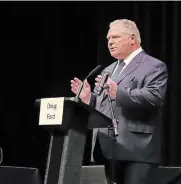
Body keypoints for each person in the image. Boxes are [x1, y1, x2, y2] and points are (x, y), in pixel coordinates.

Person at [70, 19, 168, 184]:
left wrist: (118, 92)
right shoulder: (109, 69)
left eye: (115, 37)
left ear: (132, 39)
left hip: (136, 151)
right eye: (108, 39)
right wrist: (89, 98)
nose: (110, 42)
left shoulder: (154, 66)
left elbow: (154, 97)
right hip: (106, 150)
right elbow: (105, 104)